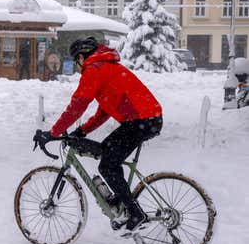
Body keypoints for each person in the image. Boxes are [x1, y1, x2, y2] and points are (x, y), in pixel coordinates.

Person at [35, 36, 163, 232]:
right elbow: (102, 113)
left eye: (76, 61)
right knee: (108, 156)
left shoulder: (94, 69)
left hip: (141, 121)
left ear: (80, 57)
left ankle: (135, 213)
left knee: (108, 165)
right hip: (145, 119)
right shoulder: (105, 67)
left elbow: (77, 105)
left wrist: (53, 133)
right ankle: (123, 202)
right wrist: (82, 130)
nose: (78, 68)